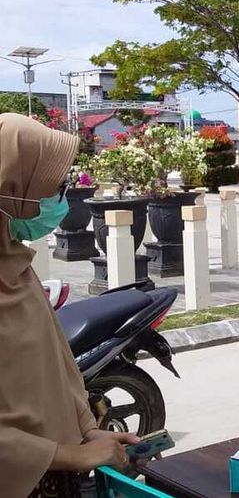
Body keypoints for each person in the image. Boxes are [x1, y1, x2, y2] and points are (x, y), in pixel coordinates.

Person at [0, 113, 140, 498]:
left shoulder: (16, 267)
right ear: (11, 186)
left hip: (53, 479)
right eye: (51, 186)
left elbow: (54, 369)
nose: (60, 198)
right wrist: (71, 456)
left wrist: (88, 433)